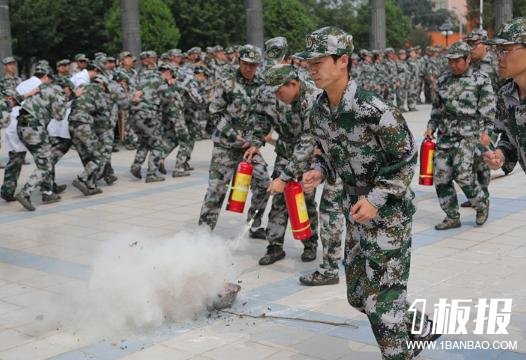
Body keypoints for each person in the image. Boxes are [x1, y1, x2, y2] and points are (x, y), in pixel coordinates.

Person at [297, 26, 438, 359]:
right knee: (358, 295)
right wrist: (320, 171)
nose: (312, 69)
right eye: (309, 62)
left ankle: (399, 349)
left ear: (343, 61)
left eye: (319, 61)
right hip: (355, 211)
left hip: (388, 214)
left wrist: (375, 200)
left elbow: (406, 160)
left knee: (381, 303)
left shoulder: (374, 109)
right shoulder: (319, 112)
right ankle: (418, 325)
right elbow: (329, 155)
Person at [198, 45, 270, 234]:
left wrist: (256, 141)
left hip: (249, 147)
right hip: (226, 145)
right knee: (216, 189)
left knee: (264, 182)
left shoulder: (263, 84)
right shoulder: (227, 83)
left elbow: (265, 116)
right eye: (245, 64)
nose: (249, 69)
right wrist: (231, 133)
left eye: (253, 65)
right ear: (239, 62)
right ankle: (204, 232)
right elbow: (214, 112)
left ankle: (254, 225)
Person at [424, 41, 494, 230]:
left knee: (463, 175)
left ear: (468, 59)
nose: (453, 65)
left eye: (457, 61)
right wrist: (431, 126)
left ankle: (481, 204)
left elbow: (488, 110)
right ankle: (452, 216)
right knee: (441, 177)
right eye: (450, 61)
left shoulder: (481, 79)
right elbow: (437, 109)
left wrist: (487, 132)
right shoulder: (443, 79)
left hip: (469, 135)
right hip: (445, 135)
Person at [483, 17, 526, 175]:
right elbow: (510, 137)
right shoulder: (506, 94)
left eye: (505, 50)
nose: (499, 57)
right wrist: (500, 156)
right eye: (497, 50)